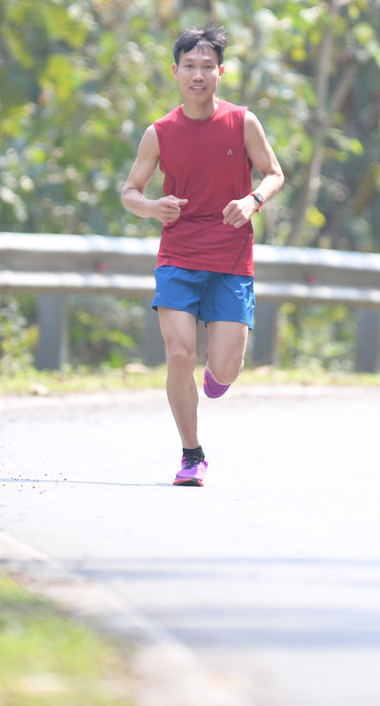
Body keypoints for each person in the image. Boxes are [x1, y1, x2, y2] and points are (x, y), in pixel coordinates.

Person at [121, 24, 285, 487]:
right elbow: (130, 192)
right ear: (175, 73)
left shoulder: (242, 122)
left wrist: (253, 201)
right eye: (189, 66)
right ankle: (191, 455)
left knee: (225, 367)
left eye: (207, 67)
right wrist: (153, 208)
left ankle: (218, 376)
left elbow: (275, 173)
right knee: (179, 353)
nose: (198, 74)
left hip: (231, 259)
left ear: (221, 72)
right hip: (178, 255)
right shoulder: (160, 132)